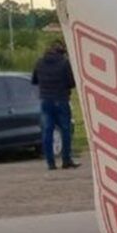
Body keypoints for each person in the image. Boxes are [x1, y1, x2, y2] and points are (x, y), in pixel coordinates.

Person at [31, 40, 79, 171]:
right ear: (61, 52)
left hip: (45, 100)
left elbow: (34, 80)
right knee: (65, 130)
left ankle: (50, 163)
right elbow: (71, 82)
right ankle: (66, 160)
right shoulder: (64, 63)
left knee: (47, 131)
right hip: (61, 99)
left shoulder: (39, 62)